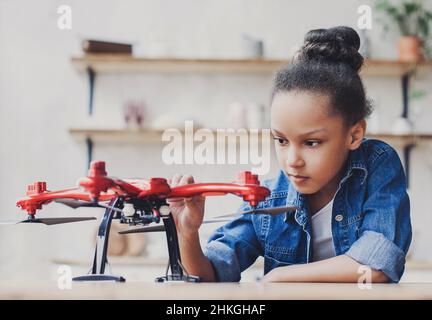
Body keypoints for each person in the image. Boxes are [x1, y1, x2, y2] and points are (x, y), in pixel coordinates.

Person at [167, 26, 412, 283]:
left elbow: (376, 267)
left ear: (354, 135)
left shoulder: (377, 164)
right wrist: (187, 233)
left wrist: (282, 276)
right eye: (281, 140)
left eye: (312, 142)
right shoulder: (268, 199)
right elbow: (208, 278)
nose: (292, 160)